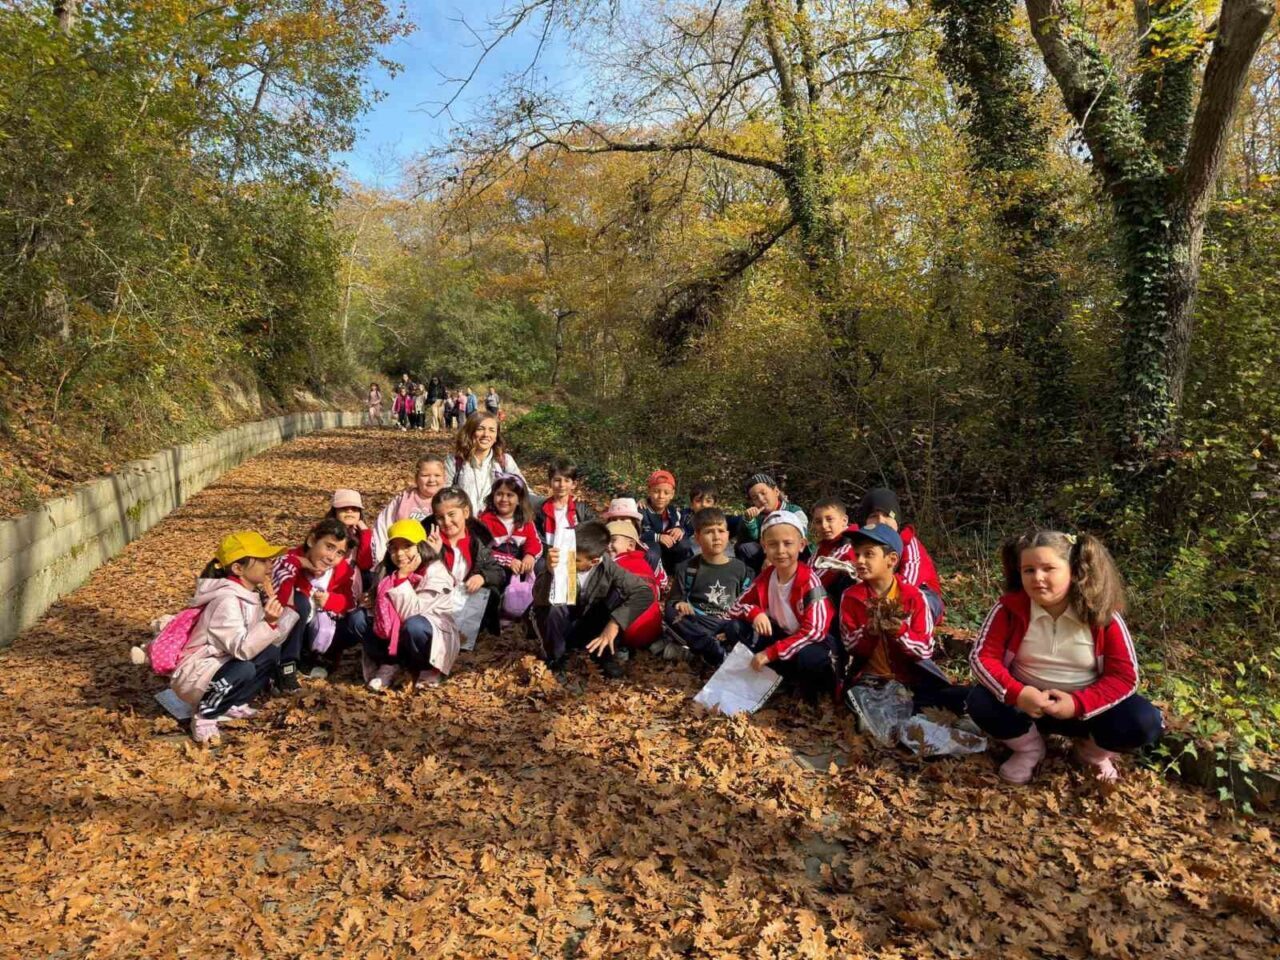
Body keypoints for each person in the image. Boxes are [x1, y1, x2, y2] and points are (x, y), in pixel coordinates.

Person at [968, 530, 1164, 784]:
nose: (1037, 578)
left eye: (1048, 568)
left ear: (1073, 571)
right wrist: (1018, 693)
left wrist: (1077, 704)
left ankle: (1092, 754)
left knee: (1143, 720)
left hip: (1086, 713)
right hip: (1026, 709)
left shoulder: (1102, 616)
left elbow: (1124, 676)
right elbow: (983, 659)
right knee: (979, 700)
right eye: (1028, 570)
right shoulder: (1009, 609)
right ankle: (1028, 748)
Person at [169, 531, 300, 745]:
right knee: (245, 667)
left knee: (271, 652)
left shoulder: (250, 594)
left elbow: (269, 641)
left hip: (221, 664)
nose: (270, 564)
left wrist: (281, 613)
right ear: (238, 568)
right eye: (263, 560)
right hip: (196, 673)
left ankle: (230, 703)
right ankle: (205, 716)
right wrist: (268, 623)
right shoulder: (227, 600)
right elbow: (242, 649)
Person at [838, 524, 968, 714]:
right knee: (859, 702)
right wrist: (868, 632)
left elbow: (925, 648)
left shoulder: (913, 597)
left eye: (869, 554)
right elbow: (849, 644)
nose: (859, 560)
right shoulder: (851, 597)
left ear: (891, 560)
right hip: (870, 680)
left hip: (910, 680)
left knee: (956, 698)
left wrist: (900, 632)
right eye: (857, 554)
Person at [724, 512, 837, 701]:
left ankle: (809, 689)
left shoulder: (809, 581)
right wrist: (755, 612)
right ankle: (770, 678)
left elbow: (814, 632)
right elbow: (735, 608)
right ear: (764, 547)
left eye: (788, 543)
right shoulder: (767, 576)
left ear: (801, 545)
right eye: (773, 544)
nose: (780, 550)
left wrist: (770, 653)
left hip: (809, 644)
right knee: (735, 627)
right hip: (781, 638)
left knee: (810, 657)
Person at [532, 520, 654, 681]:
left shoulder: (607, 567)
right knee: (554, 606)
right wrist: (549, 572)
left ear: (594, 561)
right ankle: (556, 659)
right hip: (558, 625)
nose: (570, 562)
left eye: (576, 560)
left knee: (618, 594)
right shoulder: (558, 560)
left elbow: (644, 592)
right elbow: (539, 599)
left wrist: (615, 623)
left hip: (587, 624)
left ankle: (603, 656)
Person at [362, 519, 460, 691]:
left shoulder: (436, 572)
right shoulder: (386, 571)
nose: (400, 554)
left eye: (407, 546)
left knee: (415, 625)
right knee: (360, 619)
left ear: (421, 546)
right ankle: (389, 663)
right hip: (395, 635)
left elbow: (412, 613)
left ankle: (428, 668)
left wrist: (402, 578)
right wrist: (372, 601)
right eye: (394, 548)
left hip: (430, 633)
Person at [272, 519, 364, 684]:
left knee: (356, 621)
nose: (331, 557)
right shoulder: (289, 560)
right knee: (300, 602)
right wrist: (299, 563)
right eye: (329, 547)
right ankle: (287, 663)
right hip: (287, 627)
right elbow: (281, 596)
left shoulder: (342, 571)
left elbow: (349, 603)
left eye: (339, 553)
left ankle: (317, 657)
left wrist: (331, 600)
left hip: (321, 624)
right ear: (312, 540)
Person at [663, 507, 753, 667]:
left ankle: (703, 650)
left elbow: (747, 604)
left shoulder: (742, 569)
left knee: (740, 626)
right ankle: (713, 649)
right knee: (672, 614)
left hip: (725, 622)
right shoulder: (687, 567)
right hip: (698, 622)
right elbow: (673, 601)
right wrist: (680, 603)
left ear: (728, 534)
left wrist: (731, 627)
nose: (717, 537)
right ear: (697, 537)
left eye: (721, 530)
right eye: (709, 532)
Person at [852, 488, 944, 623]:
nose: (881, 521)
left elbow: (910, 583)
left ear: (897, 521)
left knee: (918, 604)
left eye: (887, 516)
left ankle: (913, 635)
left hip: (919, 593)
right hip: (876, 594)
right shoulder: (859, 545)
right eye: (873, 516)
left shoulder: (908, 543)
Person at [431, 487, 507, 639]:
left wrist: (482, 577)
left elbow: (499, 573)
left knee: (491, 591)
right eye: (440, 517)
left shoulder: (477, 542)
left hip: (465, 602)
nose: (446, 522)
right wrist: (431, 555)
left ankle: (479, 636)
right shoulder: (429, 540)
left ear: (465, 513)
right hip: (436, 601)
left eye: (452, 514)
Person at [370, 455, 448, 566]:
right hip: (402, 560)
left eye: (437, 475)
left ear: (444, 478)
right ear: (416, 478)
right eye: (425, 475)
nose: (431, 480)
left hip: (435, 559)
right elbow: (383, 527)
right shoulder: (403, 500)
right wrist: (381, 560)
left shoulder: (449, 501)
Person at [445, 412, 524, 517]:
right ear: (470, 432)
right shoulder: (454, 462)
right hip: (463, 526)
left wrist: (546, 503)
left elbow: (524, 491)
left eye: (492, 430)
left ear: (496, 436)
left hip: (496, 526)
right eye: (480, 429)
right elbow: (442, 496)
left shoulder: (505, 461)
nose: (486, 434)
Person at [602, 518, 663, 652]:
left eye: (613, 540)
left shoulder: (615, 565)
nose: (607, 546)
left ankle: (618, 647)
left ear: (631, 544)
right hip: (653, 628)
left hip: (625, 629)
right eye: (604, 542)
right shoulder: (644, 564)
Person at [735, 472, 807, 573]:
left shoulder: (795, 511)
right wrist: (749, 520)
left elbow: (800, 536)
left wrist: (771, 558)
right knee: (746, 548)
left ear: (776, 491)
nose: (760, 499)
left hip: (792, 552)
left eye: (763, 493)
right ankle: (750, 580)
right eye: (755, 498)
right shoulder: (758, 515)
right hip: (768, 551)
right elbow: (755, 537)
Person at [479, 473, 542, 577]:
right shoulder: (485, 521)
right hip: (495, 564)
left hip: (520, 562)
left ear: (519, 500)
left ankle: (536, 592)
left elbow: (534, 541)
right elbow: (481, 551)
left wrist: (530, 555)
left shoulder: (525, 520)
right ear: (493, 496)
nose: (504, 499)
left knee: (540, 565)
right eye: (499, 494)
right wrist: (507, 561)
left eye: (510, 495)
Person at [534, 457, 596, 558]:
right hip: (549, 556)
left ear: (574, 484)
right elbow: (536, 536)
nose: (562, 485)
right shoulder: (541, 509)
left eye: (567, 480)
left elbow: (592, 530)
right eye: (557, 480)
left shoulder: (581, 508)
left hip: (575, 556)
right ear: (550, 482)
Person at [638, 469, 693, 574]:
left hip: (668, 550)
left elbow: (678, 525)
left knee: (684, 544)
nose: (661, 496)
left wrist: (679, 530)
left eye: (666, 493)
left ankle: (679, 574)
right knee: (652, 553)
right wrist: (658, 537)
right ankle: (651, 579)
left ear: (672, 494)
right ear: (649, 491)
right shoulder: (642, 510)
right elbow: (639, 533)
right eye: (656, 491)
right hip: (651, 545)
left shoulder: (672, 510)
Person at [811, 497, 860, 606]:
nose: (824, 526)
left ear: (844, 520)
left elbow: (816, 580)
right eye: (818, 521)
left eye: (829, 519)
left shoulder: (851, 544)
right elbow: (809, 567)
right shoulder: (823, 544)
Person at [327, 489, 375, 594]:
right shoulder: (327, 533)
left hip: (355, 584)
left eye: (354, 509)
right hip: (333, 584)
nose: (349, 512)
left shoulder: (359, 533)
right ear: (335, 512)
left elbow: (365, 564)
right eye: (344, 509)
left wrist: (365, 532)